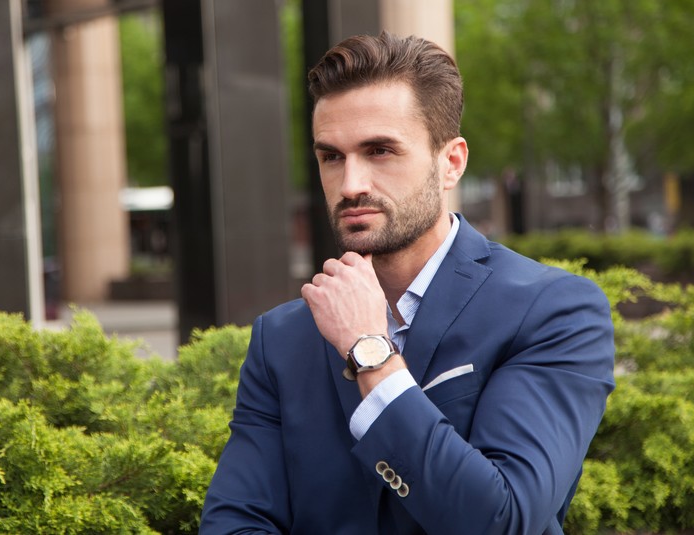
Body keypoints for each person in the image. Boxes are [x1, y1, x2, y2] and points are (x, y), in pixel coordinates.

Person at [200, 31, 614, 535]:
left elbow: (502, 519)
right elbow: (236, 523)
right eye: (332, 156)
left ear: (451, 163)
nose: (351, 185)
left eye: (379, 151)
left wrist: (369, 351)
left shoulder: (553, 310)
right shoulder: (281, 337)